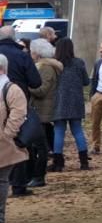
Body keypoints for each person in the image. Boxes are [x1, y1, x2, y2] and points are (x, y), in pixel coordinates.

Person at [0, 26, 42, 197]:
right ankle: (18, 185)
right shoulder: (22, 56)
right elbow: (35, 82)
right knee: (18, 144)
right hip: (18, 103)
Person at [50, 38, 90, 172]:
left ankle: (58, 162)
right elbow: (86, 81)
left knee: (59, 132)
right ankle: (84, 162)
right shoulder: (78, 62)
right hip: (75, 101)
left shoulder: (54, 64)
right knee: (77, 131)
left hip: (59, 100)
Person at [0, 54, 29, 223]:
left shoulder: (11, 89)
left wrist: (7, 135)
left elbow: (19, 114)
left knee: (1, 180)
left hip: (3, 143)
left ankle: (0, 215)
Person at [29, 38, 61, 186]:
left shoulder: (46, 68)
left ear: (37, 53)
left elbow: (42, 90)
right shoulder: (41, 66)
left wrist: (26, 86)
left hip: (43, 111)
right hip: (39, 109)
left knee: (40, 146)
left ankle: (38, 176)